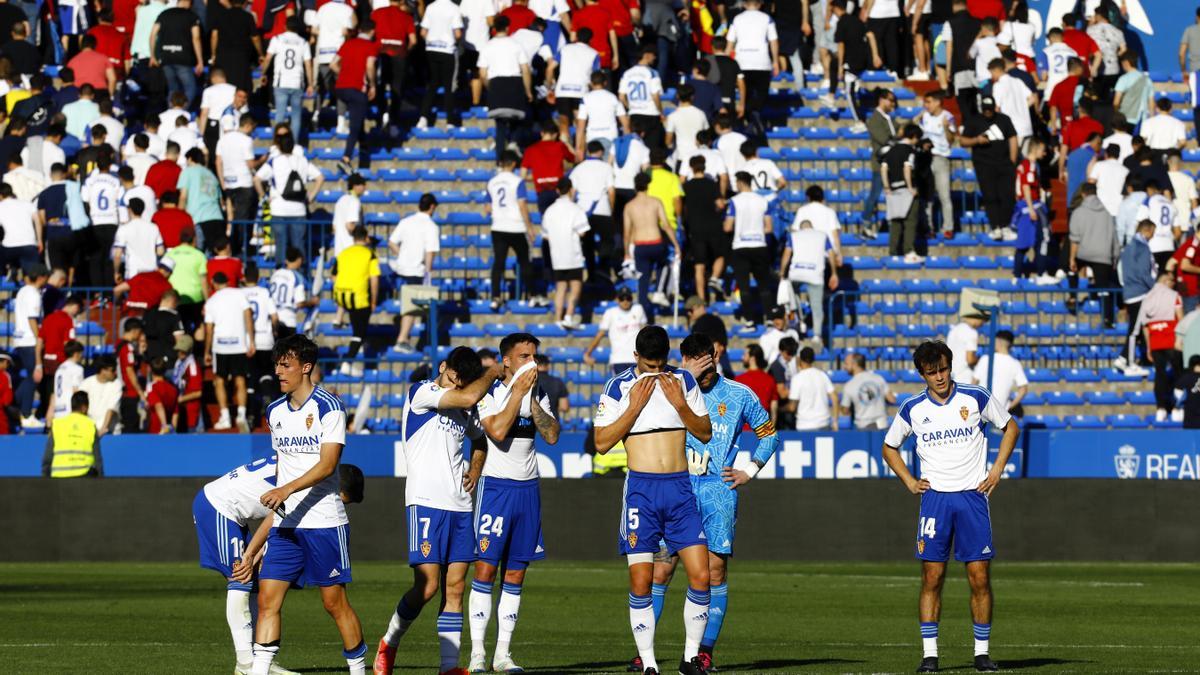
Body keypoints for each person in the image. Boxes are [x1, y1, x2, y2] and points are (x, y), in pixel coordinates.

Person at [638, 333, 778, 673]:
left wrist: (748, 471)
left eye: (709, 360)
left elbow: (769, 434)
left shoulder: (739, 394)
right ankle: (647, 655)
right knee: (662, 568)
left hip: (718, 490)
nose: (705, 368)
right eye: (697, 363)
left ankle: (704, 653)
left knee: (715, 570)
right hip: (677, 487)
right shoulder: (670, 386)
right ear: (686, 360)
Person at [880, 340, 1019, 674]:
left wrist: (997, 469)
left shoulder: (975, 396)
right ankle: (930, 655)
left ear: (950, 366)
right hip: (935, 500)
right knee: (932, 576)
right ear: (922, 374)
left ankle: (982, 653)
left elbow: (1011, 427)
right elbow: (889, 447)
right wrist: (910, 481)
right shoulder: (913, 408)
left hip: (972, 497)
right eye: (932, 372)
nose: (939, 377)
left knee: (979, 577)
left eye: (943, 369)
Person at [372, 348, 503, 675]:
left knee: (456, 587)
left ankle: (448, 667)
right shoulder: (422, 392)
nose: (456, 384)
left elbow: (481, 441)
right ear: (442, 368)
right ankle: (390, 641)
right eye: (452, 376)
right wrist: (494, 371)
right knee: (428, 586)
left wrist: (475, 469)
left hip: (460, 504)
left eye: (461, 380)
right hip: (426, 501)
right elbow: (470, 395)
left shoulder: (465, 409)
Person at [242, 334, 366, 675]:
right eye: (277, 364)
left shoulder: (328, 406)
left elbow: (328, 465)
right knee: (267, 599)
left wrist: (286, 489)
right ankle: (259, 671)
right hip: (286, 524)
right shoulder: (274, 411)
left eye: (286, 364)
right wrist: (261, 537)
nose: (279, 371)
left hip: (324, 521)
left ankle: (358, 670)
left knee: (333, 603)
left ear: (306, 367)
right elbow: (284, 466)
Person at [592, 326, 712, 675]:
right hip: (641, 492)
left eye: (659, 365)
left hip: (679, 489)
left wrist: (679, 405)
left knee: (701, 575)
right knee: (642, 581)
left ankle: (690, 659)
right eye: (647, 366)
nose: (654, 372)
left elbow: (704, 432)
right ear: (635, 358)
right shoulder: (618, 387)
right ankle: (648, 662)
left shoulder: (683, 383)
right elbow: (601, 443)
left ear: (667, 359)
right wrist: (634, 407)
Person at [192, 456, 362, 673]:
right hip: (217, 506)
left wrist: (258, 551)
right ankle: (246, 664)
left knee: (254, 584)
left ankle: (259, 661)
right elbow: (276, 517)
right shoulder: (307, 477)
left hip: (232, 510)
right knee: (240, 578)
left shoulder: (303, 463)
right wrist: (252, 553)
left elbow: (279, 518)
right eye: (341, 500)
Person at [466, 334, 560, 673]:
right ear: (506, 361)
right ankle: (477, 652)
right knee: (486, 569)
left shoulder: (540, 393)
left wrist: (532, 397)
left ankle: (502, 654)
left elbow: (551, 435)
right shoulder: (490, 394)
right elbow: (499, 430)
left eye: (534, 355)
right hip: (496, 489)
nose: (531, 362)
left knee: (517, 573)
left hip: (527, 490)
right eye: (524, 356)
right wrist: (518, 391)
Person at [255, 134, 324, 266]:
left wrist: (264, 197)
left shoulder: (274, 161)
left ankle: (281, 275)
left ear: (279, 147)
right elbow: (320, 177)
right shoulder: (303, 161)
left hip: (278, 210)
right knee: (299, 245)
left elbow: (257, 179)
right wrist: (311, 196)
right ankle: (300, 277)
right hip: (299, 210)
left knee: (281, 245)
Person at [624, 172, 680, 323]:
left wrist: (626, 253)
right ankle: (659, 291)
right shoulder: (655, 202)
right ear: (647, 185)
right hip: (655, 242)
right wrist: (676, 245)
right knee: (664, 264)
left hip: (640, 246)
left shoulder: (629, 206)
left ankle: (646, 314)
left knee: (643, 283)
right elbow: (666, 225)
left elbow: (627, 232)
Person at [389, 193, 441, 353]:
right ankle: (402, 339)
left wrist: (402, 256)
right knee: (411, 307)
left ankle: (403, 338)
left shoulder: (406, 221)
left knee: (409, 304)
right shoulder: (431, 226)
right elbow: (430, 253)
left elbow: (391, 242)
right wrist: (428, 275)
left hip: (400, 268)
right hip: (416, 271)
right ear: (432, 207)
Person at [960, 95, 1018, 240]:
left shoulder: (1004, 119)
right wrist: (976, 140)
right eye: (985, 110)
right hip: (984, 165)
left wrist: (1012, 160)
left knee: (1007, 196)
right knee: (990, 196)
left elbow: (1012, 138)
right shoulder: (974, 121)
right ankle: (996, 227)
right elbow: (963, 140)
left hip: (1004, 164)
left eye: (990, 110)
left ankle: (1005, 226)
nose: (988, 113)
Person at [205, 271, 255, 432]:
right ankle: (241, 414)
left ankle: (225, 416)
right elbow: (248, 316)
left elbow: (209, 329)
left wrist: (206, 351)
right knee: (240, 380)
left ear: (213, 282)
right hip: (238, 344)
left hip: (220, 345)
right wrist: (251, 340)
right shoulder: (239, 294)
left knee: (220, 380)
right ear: (228, 281)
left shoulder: (211, 301)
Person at [487, 150, 536, 309]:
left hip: (498, 227)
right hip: (515, 226)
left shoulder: (492, 182)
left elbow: (487, 208)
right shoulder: (517, 181)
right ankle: (532, 295)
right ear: (514, 163)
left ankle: (495, 297)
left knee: (498, 262)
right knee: (524, 261)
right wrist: (529, 227)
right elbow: (522, 205)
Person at [724, 171, 774, 328]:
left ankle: (749, 321)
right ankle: (770, 319)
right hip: (759, 245)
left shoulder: (734, 201)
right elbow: (769, 227)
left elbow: (727, 226)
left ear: (739, 182)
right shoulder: (763, 201)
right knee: (764, 285)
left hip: (741, 246)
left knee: (744, 287)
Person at [1068, 183, 1123, 327]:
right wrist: (1115, 257)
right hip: (1103, 255)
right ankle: (1108, 320)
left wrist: (1072, 258)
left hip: (1084, 252)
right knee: (1104, 289)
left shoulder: (1078, 212)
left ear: (1083, 194)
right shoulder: (1107, 213)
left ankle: (1073, 296)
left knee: (1072, 270)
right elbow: (1114, 238)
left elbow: (1075, 239)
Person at [330, 20, 379, 174]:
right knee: (355, 127)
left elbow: (333, 64)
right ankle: (346, 158)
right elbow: (370, 66)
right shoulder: (370, 46)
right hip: (357, 88)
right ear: (371, 32)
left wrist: (344, 74)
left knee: (358, 123)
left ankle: (364, 156)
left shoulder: (348, 43)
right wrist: (372, 85)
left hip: (341, 87)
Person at [541, 178, 590, 329]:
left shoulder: (549, 211)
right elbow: (583, 232)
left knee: (560, 287)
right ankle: (568, 315)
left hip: (557, 256)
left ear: (557, 191)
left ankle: (557, 318)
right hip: (573, 255)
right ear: (571, 190)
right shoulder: (576, 209)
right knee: (575, 286)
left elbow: (545, 235)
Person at [781, 217, 839, 342]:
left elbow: (786, 255)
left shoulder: (793, 235)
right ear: (812, 227)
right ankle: (817, 335)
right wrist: (834, 273)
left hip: (796, 272)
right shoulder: (822, 236)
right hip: (815, 273)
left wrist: (782, 274)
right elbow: (831, 253)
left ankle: (799, 320)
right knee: (817, 306)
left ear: (801, 228)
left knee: (792, 298)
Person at [1138, 272, 1185, 422]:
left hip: (1156, 341)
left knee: (1160, 375)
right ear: (1165, 281)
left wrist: (1149, 347)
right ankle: (1178, 407)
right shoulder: (1174, 295)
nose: (1174, 283)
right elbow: (1181, 319)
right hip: (1172, 340)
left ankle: (1161, 408)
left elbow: (1144, 326)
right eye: (1172, 281)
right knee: (1179, 374)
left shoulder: (1147, 298)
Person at [333, 225, 379, 374]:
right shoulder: (369, 254)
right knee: (360, 332)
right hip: (360, 297)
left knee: (357, 330)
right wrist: (374, 300)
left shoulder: (343, 253)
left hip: (343, 295)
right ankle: (348, 361)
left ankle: (352, 361)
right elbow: (374, 279)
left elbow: (333, 275)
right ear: (366, 238)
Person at [682, 156, 727, 303]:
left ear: (691, 167)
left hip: (695, 228)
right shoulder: (711, 184)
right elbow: (720, 204)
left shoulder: (686, 186)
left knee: (699, 266)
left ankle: (702, 299)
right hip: (713, 225)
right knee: (720, 255)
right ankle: (714, 277)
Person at [262, 16, 314, 140]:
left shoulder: (277, 39)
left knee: (280, 114)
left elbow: (268, 58)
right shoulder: (303, 42)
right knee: (296, 116)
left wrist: (263, 73)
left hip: (281, 81)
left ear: (285, 26)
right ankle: (294, 144)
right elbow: (308, 64)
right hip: (297, 82)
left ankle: (278, 143)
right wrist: (311, 83)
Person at [417, 0, 464, 130]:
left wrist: (432, 42)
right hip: (447, 50)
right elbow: (458, 33)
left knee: (433, 84)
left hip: (431, 49)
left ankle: (423, 117)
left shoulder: (431, 7)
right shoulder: (454, 8)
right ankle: (450, 120)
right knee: (448, 86)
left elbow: (423, 32)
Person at [916, 90, 958, 237]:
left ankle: (948, 227)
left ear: (937, 102)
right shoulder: (924, 116)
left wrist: (946, 127)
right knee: (927, 196)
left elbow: (951, 140)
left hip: (941, 158)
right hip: (926, 158)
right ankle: (929, 227)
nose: (925, 105)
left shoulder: (948, 117)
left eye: (928, 102)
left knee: (944, 195)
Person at [149, 0, 203, 106]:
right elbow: (196, 38)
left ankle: (172, 110)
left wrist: (152, 56)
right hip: (183, 58)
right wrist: (200, 60)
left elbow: (152, 35)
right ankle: (182, 112)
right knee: (190, 88)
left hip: (166, 57)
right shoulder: (191, 15)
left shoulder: (164, 14)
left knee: (172, 89)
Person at [881, 124, 923, 262]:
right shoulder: (910, 151)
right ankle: (908, 251)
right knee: (910, 221)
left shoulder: (891, 150)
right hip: (906, 189)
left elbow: (883, 168)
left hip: (893, 189)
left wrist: (887, 186)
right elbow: (907, 167)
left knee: (896, 222)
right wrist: (910, 186)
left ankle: (893, 252)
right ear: (914, 137)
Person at [12, 264, 46, 427]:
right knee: (34, 377)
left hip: (20, 339)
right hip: (29, 340)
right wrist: (40, 338)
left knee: (31, 377)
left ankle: (12, 404)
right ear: (40, 277)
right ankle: (25, 414)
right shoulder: (33, 294)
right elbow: (32, 319)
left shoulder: (22, 291)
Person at [584, 289, 648, 374]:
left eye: (628, 298)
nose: (625, 301)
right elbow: (600, 334)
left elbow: (646, 333)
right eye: (622, 298)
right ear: (617, 299)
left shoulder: (638, 309)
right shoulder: (610, 313)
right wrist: (588, 353)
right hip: (618, 360)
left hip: (637, 360)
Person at [41, 391, 101, 477]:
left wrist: (45, 479)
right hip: (84, 478)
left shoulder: (58, 424)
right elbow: (98, 459)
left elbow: (47, 458)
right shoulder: (90, 425)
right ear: (84, 408)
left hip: (59, 477)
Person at [862, 88, 897, 232]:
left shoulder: (888, 118)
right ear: (881, 100)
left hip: (892, 163)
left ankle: (892, 223)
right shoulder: (875, 119)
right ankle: (866, 222)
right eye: (890, 100)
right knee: (875, 194)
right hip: (880, 163)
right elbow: (884, 139)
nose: (893, 104)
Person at [972, 330, 1028, 417]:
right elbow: (1023, 389)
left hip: (981, 409)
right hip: (1000, 413)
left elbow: (973, 383)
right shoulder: (1014, 363)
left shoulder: (985, 359)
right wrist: (1009, 406)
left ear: (997, 341)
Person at [618, 46, 665, 151]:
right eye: (654, 56)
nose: (655, 59)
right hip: (651, 114)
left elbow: (621, 96)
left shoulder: (627, 73)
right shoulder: (652, 73)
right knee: (652, 147)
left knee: (636, 147)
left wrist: (631, 107)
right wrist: (661, 112)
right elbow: (655, 95)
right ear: (647, 55)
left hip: (635, 114)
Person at [787, 346, 839, 431]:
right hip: (823, 423)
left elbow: (792, 407)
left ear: (800, 359)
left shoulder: (797, 378)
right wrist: (835, 421)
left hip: (804, 425)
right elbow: (835, 398)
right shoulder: (822, 375)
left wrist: (780, 408)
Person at [842, 352, 894, 429]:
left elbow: (845, 411)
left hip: (864, 427)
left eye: (846, 364)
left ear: (854, 364)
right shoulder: (878, 378)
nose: (844, 367)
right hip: (882, 425)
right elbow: (892, 399)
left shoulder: (849, 385)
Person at [270, 248, 314, 334]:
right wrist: (312, 302)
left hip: (272, 319)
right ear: (299, 260)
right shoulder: (297, 277)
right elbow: (300, 303)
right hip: (288, 320)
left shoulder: (275, 274)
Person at [45, 340, 85, 426]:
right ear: (76, 354)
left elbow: (54, 393)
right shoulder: (77, 369)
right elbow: (76, 391)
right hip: (70, 411)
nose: (82, 356)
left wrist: (50, 412)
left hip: (58, 410)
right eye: (81, 353)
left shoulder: (59, 369)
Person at [735, 343, 779, 421]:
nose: (742, 357)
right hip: (763, 429)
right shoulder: (770, 380)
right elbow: (774, 409)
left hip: (743, 430)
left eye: (745, 355)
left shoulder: (739, 380)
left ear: (752, 358)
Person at [79, 356, 121, 436]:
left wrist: (103, 430)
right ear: (103, 370)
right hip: (89, 430)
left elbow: (111, 409)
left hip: (110, 432)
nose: (115, 373)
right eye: (113, 370)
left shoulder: (116, 384)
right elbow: (80, 407)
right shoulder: (86, 383)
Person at [947, 312, 986, 384]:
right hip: (964, 377)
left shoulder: (954, 330)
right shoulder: (972, 332)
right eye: (983, 322)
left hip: (951, 376)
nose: (982, 325)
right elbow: (970, 359)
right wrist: (980, 360)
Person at [145, 357, 178, 434]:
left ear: (151, 371)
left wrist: (164, 426)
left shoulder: (151, 387)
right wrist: (173, 431)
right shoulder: (173, 389)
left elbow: (158, 405)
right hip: (169, 431)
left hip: (156, 431)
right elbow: (175, 413)